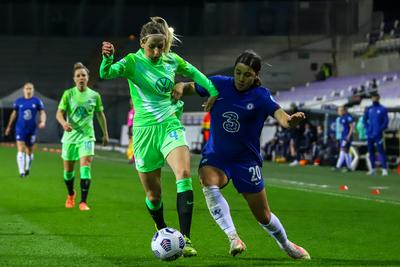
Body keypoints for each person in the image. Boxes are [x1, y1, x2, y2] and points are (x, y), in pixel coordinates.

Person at [99, 16, 219, 257]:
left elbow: (198, 76)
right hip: (144, 134)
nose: (156, 51)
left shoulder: (172, 60)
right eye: (152, 46)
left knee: (184, 175)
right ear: (142, 42)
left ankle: (185, 238)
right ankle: (162, 228)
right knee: (153, 195)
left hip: (169, 125)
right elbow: (106, 73)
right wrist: (107, 58)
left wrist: (214, 93)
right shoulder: (132, 62)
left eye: (160, 46)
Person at [173, 50, 310, 259]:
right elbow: (191, 87)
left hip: (246, 161)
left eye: (247, 75)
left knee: (263, 216)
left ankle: (286, 244)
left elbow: (280, 116)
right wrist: (181, 86)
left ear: (256, 75)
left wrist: (290, 121)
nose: (241, 78)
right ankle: (233, 237)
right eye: (238, 72)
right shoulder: (219, 83)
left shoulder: (261, 96)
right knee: (207, 181)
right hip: (217, 156)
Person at [56, 62, 109, 211]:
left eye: (83, 75)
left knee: (85, 167)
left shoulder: (94, 95)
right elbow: (59, 113)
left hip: (87, 137)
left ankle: (83, 202)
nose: (81, 78)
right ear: (74, 79)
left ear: (87, 78)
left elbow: (100, 114)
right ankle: (71, 194)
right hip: (70, 138)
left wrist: (105, 133)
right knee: (68, 172)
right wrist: (63, 123)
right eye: (78, 76)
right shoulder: (68, 94)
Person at [5, 82, 46, 177]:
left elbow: (42, 112)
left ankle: (27, 168)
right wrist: (9, 127)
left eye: (30, 88)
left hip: (32, 129)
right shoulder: (19, 101)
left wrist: (43, 121)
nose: (28, 90)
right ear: (23, 90)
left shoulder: (37, 101)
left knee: (29, 151)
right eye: (27, 88)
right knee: (20, 149)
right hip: (20, 128)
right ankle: (21, 171)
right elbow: (14, 114)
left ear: (33, 90)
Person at [364, 92, 389, 176]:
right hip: (370, 134)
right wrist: (367, 129)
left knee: (381, 151)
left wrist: (380, 130)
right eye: (372, 97)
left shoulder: (383, 109)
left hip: (378, 134)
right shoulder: (369, 109)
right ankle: (373, 169)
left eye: (375, 97)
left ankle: (384, 169)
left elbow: (385, 122)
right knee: (371, 151)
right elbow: (364, 120)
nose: (373, 98)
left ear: (378, 97)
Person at [334, 106, 354, 172]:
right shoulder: (341, 118)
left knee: (343, 150)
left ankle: (338, 166)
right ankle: (349, 167)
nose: (339, 112)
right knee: (345, 151)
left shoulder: (348, 117)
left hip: (346, 137)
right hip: (343, 137)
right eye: (338, 110)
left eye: (340, 110)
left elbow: (351, 127)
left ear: (344, 111)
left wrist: (348, 136)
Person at [126, 99, 135, 164]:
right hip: (137, 130)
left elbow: (130, 123)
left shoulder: (132, 111)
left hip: (133, 131)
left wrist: (129, 131)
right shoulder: (137, 110)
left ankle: (132, 158)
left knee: (132, 145)